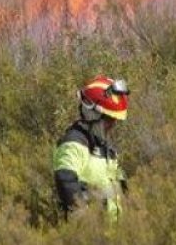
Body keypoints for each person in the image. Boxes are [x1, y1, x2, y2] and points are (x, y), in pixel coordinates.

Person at [52, 75, 129, 220]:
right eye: (110, 119)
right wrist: (87, 222)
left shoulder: (106, 149)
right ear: (92, 114)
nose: (113, 124)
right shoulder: (74, 143)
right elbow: (65, 180)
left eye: (115, 120)